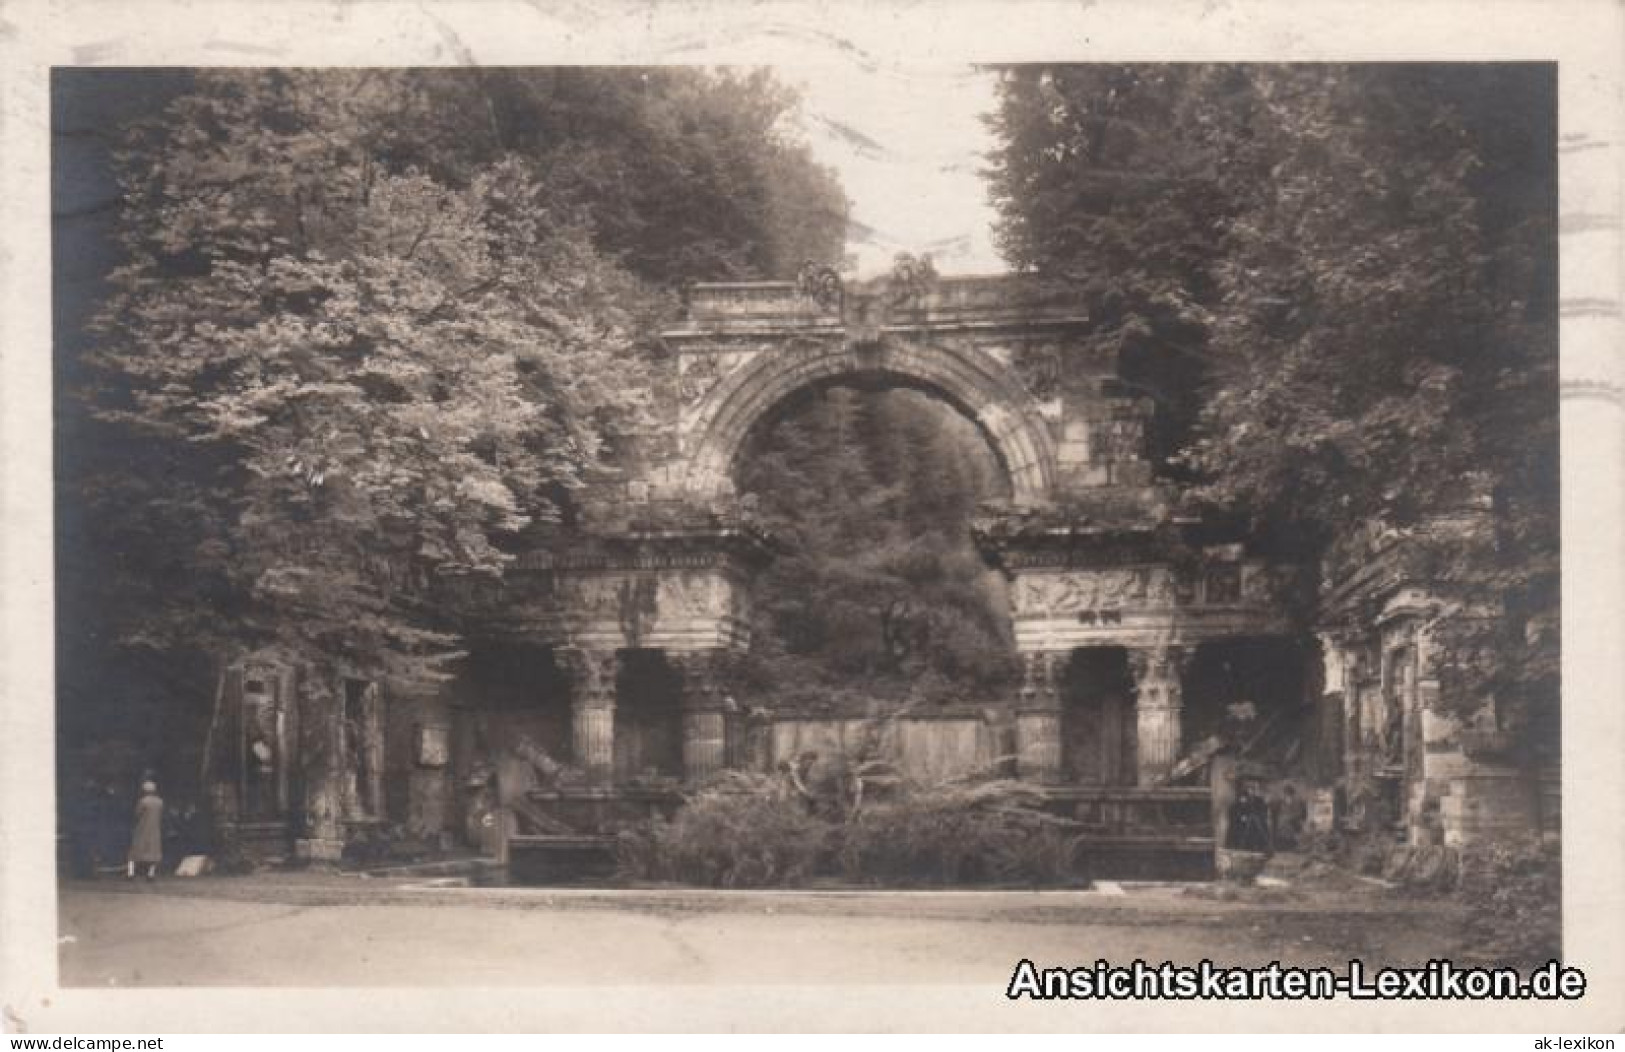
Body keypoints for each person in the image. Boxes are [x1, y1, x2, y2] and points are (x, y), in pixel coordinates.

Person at [126, 781, 164, 881]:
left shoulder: (143, 801)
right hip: (155, 829)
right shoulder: (160, 802)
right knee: (154, 852)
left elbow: (137, 814)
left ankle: (130, 873)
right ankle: (151, 874)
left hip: (142, 829)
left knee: (135, 852)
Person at [1226, 777, 1272, 854]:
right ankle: (1243, 845)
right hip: (1243, 821)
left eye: (1253, 789)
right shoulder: (1242, 798)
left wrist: (1259, 816)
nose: (1252, 791)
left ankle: (1265, 846)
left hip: (1256, 821)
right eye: (1250, 789)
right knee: (1251, 821)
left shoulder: (1259, 800)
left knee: (1256, 821)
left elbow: (1263, 811)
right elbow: (1235, 810)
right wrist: (1241, 816)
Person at [1272, 782, 1309, 851]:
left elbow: (1302, 811)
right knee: (1282, 824)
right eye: (1285, 792)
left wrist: (1298, 818)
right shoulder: (1283, 800)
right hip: (1287, 819)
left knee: (1286, 824)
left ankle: (1292, 844)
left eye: (1287, 792)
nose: (1286, 793)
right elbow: (1280, 810)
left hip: (1295, 818)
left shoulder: (1297, 799)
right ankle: (1285, 845)